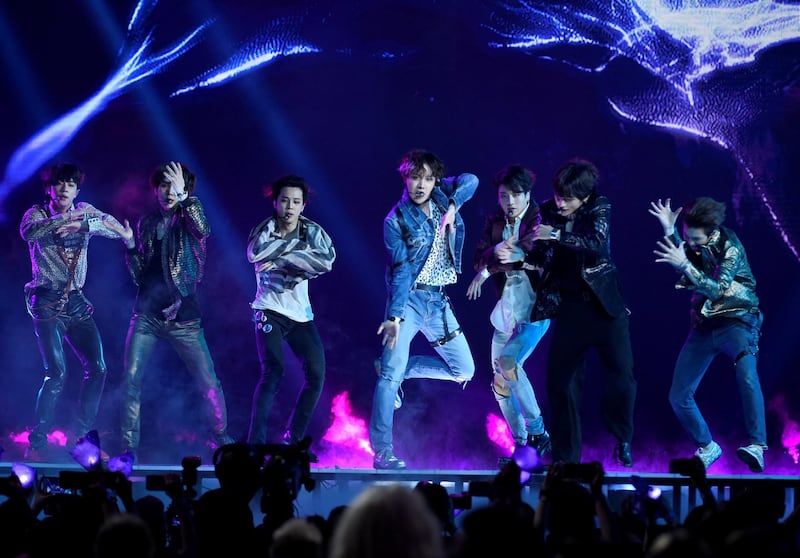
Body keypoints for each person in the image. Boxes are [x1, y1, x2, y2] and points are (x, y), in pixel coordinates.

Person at [370, 148, 478, 470]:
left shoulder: (445, 194)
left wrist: (453, 206)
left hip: (439, 301)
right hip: (411, 302)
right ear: (405, 177)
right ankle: (382, 452)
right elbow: (401, 271)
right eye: (415, 177)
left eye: (427, 178)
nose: (420, 184)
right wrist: (394, 317)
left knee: (464, 371)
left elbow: (472, 180)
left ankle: (402, 369)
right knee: (389, 376)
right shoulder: (396, 219)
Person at [118, 161, 234, 460]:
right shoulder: (147, 222)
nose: (169, 192)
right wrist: (130, 247)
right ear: (155, 190)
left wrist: (186, 198)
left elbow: (204, 228)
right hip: (146, 316)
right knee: (131, 379)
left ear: (185, 190)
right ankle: (128, 448)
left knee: (209, 381)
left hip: (184, 318)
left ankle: (221, 438)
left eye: (176, 186)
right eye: (164, 185)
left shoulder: (190, 219)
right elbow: (140, 276)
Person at [529, 158, 636, 466]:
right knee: (561, 383)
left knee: (622, 375)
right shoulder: (548, 209)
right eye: (559, 195)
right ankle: (565, 458)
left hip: (605, 307)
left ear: (585, 197)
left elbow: (597, 244)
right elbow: (539, 253)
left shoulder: (600, 206)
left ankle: (622, 437)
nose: (561, 203)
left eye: (568, 198)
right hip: (571, 308)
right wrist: (524, 252)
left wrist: (557, 236)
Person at [20, 162, 130, 460]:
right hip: (46, 301)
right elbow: (29, 233)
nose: (65, 188)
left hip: (76, 300)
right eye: (59, 183)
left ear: (77, 190)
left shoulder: (83, 209)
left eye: (70, 184)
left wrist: (88, 224)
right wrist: (66, 219)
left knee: (98, 368)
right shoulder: (38, 213)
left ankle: (83, 437)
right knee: (56, 372)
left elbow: (107, 224)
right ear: (49, 188)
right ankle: (38, 442)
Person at [649, 197, 767, 472]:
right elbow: (684, 258)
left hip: (738, 320)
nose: (691, 244)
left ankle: (757, 445)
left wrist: (684, 265)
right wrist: (670, 231)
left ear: (712, 231)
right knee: (678, 395)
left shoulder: (731, 246)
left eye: (695, 239)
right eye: (688, 237)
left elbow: (717, 289)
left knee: (747, 375)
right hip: (704, 325)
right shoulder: (695, 242)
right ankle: (707, 445)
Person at [466, 164, 552, 463]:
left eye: (516, 195)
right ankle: (522, 445)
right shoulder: (494, 220)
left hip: (535, 310)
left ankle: (539, 433)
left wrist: (492, 266)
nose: (510, 202)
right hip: (506, 309)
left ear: (528, 194)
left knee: (508, 362)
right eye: (504, 196)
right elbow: (480, 258)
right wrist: (493, 259)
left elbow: (529, 254)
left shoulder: (541, 220)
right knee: (499, 381)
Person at [245, 174, 336, 453]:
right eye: (284, 200)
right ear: (275, 202)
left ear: (303, 205)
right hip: (268, 310)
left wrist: (281, 258)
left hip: (300, 315)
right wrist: (300, 256)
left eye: (296, 202)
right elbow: (255, 255)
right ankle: (255, 445)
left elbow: (327, 261)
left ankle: (293, 439)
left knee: (317, 374)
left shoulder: (313, 231)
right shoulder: (264, 229)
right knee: (273, 371)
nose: (290, 207)